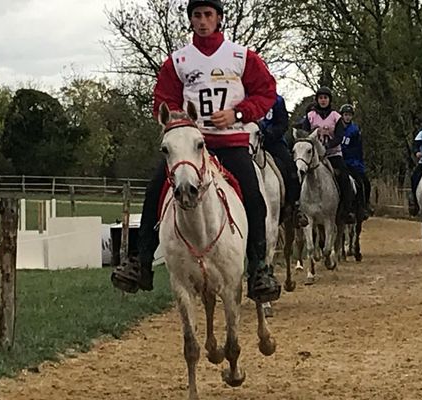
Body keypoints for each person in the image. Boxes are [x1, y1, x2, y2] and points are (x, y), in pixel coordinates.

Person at [111, 0, 281, 303]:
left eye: (208, 15)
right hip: (191, 147)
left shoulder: (241, 57)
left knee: (254, 198)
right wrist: (181, 123)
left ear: (219, 19)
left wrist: (238, 115)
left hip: (230, 143)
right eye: (197, 15)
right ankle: (140, 263)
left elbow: (267, 91)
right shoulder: (177, 62)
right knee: (154, 192)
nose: (202, 21)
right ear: (190, 20)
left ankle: (259, 269)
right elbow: (163, 100)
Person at [302, 87, 355, 223]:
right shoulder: (310, 116)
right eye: (321, 98)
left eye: (325, 98)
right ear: (317, 100)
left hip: (333, 154)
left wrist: (328, 146)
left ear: (329, 100)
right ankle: (299, 209)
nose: (323, 100)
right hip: (313, 156)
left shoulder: (336, 117)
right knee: (299, 174)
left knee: (344, 177)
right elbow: (304, 134)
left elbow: (339, 136)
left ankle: (347, 210)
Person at [258, 94, 307, 226]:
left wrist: (270, 133)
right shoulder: (245, 97)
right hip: (251, 142)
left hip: (274, 142)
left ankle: (295, 207)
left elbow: (283, 124)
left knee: (291, 169)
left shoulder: (277, 100)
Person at [337, 104, 372, 219]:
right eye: (345, 115)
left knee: (363, 183)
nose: (347, 117)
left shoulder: (354, 130)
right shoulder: (336, 128)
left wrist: (357, 164)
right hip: (337, 159)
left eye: (349, 115)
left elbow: (356, 149)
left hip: (352, 162)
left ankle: (362, 206)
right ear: (341, 116)